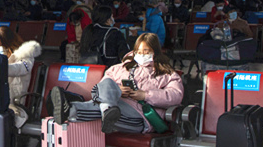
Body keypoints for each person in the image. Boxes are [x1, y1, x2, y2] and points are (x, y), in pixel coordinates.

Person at [49, 33, 183, 135]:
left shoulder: (166, 73)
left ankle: (70, 108)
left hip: (139, 115)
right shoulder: (120, 67)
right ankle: (107, 109)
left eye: (146, 52)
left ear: (155, 52)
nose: (142, 55)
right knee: (108, 82)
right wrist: (118, 91)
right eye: (139, 52)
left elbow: (175, 96)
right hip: (116, 105)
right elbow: (102, 86)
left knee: (101, 108)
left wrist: (145, 95)